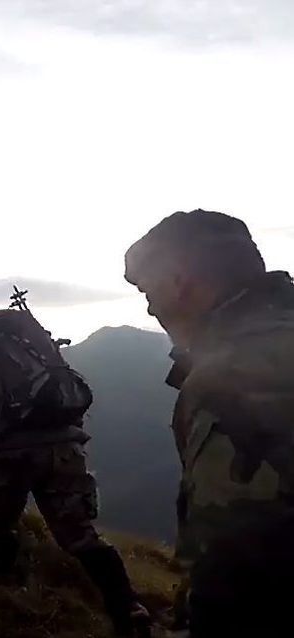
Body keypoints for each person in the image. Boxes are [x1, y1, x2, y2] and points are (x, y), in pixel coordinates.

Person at [125, 209, 294, 638]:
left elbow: (236, 583)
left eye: (148, 291)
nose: (149, 310)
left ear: (179, 281)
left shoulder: (231, 378)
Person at [0, 306, 149, 637]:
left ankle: (4, 597)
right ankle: (128, 605)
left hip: (13, 456)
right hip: (66, 450)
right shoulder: (32, 348)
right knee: (80, 535)